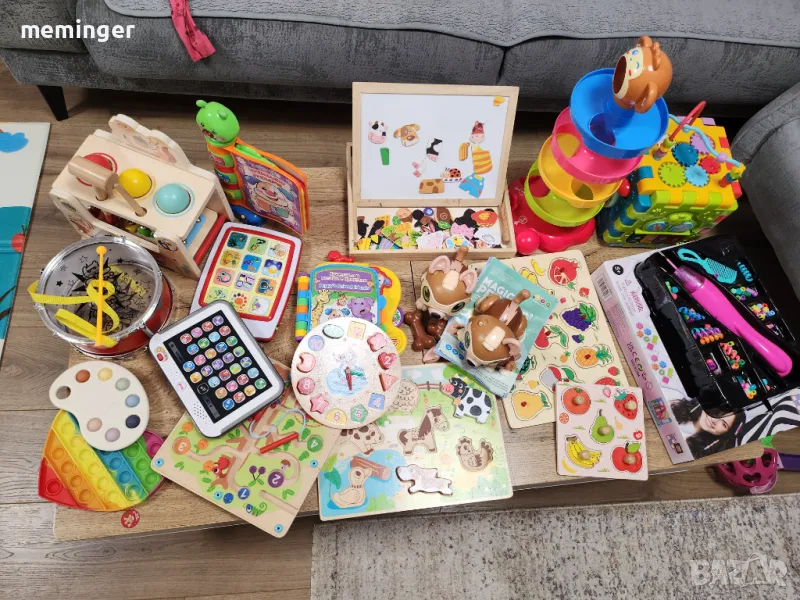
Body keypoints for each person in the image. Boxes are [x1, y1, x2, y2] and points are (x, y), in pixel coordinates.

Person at [671, 398, 745, 457]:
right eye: (718, 412)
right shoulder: (674, 405)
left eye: (724, 424)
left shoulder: (700, 453)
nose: (715, 420)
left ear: (726, 433)